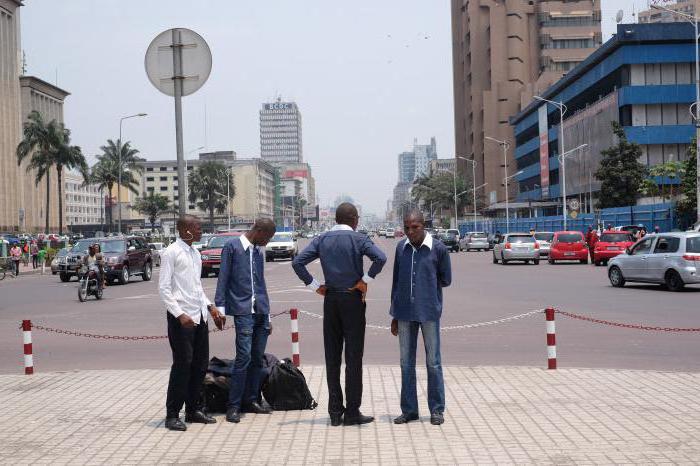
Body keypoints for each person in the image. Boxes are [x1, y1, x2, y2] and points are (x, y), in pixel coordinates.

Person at [292, 202, 387, 426]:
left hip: (331, 299)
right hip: (352, 299)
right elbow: (380, 258)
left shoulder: (322, 239)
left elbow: (298, 262)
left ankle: (335, 412)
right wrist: (364, 281)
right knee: (354, 357)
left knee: (332, 357)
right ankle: (352, 412)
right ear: (354, 219)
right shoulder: (359, 238)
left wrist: (315, 286)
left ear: (336, 219)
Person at [158, 215, 225, 431]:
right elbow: (164, 288)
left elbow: (196, 288)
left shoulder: (196, 253)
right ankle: (172, 414)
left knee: (199, 365)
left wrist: (210, 307)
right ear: (184, 229)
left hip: (199, 316)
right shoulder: (171, 253)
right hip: (182, 320)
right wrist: (179, 314)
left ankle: (193, 410)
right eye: (197, 227)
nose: (200, 231)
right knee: (182, 365)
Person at [390, 210, 452, 426]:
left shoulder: (438, 249)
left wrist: (428, 292)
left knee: (433, 363)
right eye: (406, 227)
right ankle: (409, 410)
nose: (410, 231)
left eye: (414, 227)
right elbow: (396, 283)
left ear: (423, 226)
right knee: (406, 363)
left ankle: (436, 410)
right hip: (404, 313)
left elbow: (446, 279)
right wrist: (394, 315)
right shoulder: (401, 249)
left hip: (429, 313)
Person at [215, 218, 277, 424]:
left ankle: (251, 400)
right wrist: (220, 309)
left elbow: (261, 283)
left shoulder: (258, 251)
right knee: (243, 358)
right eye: (267, 238)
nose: (267, 243)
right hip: (243, 312)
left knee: (257, 358)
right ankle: (233, 406)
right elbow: (223, 278)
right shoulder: (232, 247)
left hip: (260, 310)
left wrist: (267, 315)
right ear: (258, 231)